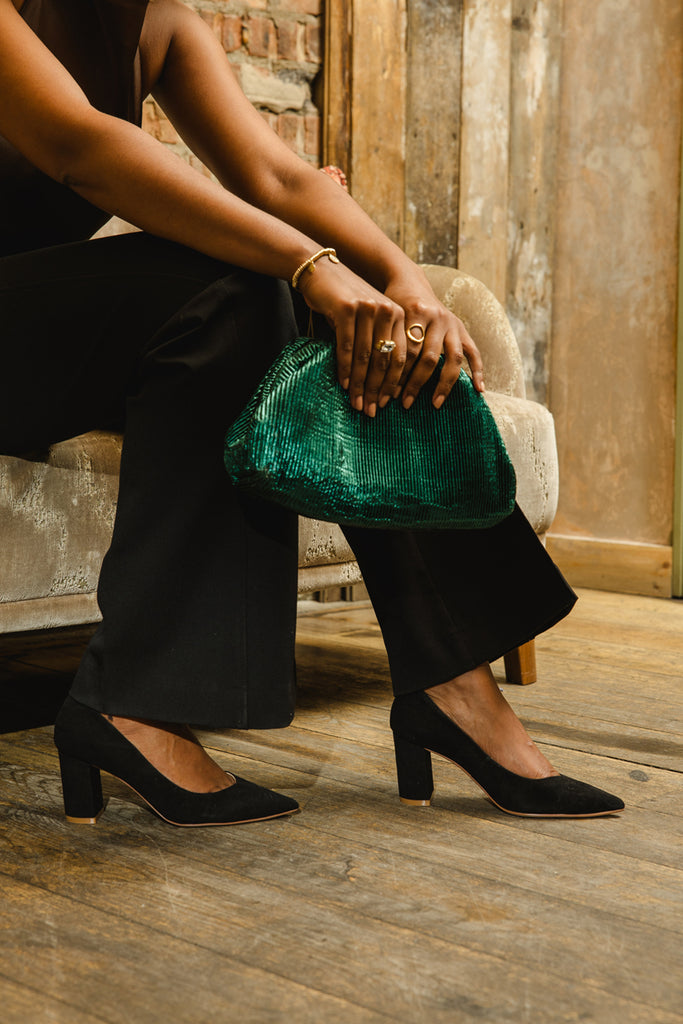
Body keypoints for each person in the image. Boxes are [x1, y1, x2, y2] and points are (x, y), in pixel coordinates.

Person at [0, 0, 624, 827]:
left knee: (322, 309)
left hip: (40, 341)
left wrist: (398, 281)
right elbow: (82, 149)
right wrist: (310, 263)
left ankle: (451, 679)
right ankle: (141, 706)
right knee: (264, 278)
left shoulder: (155, 22)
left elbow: (279, 178)